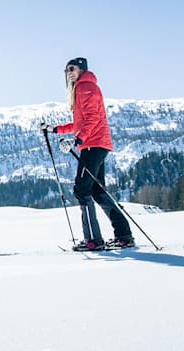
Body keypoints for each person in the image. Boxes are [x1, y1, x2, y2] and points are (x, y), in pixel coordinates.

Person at [43, 57, 133, 251]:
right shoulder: (83, 88)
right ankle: (124, 235)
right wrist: (55, 129)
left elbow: (92, 119)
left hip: (93, 145)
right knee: (97, 191)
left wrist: (78, 140)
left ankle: (93, 239)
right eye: (66, 70)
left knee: (82, 189)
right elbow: (79, 123)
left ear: (82, 69)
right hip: (96, 144)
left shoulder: (86, 87)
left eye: (72, 68)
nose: (69, 72)